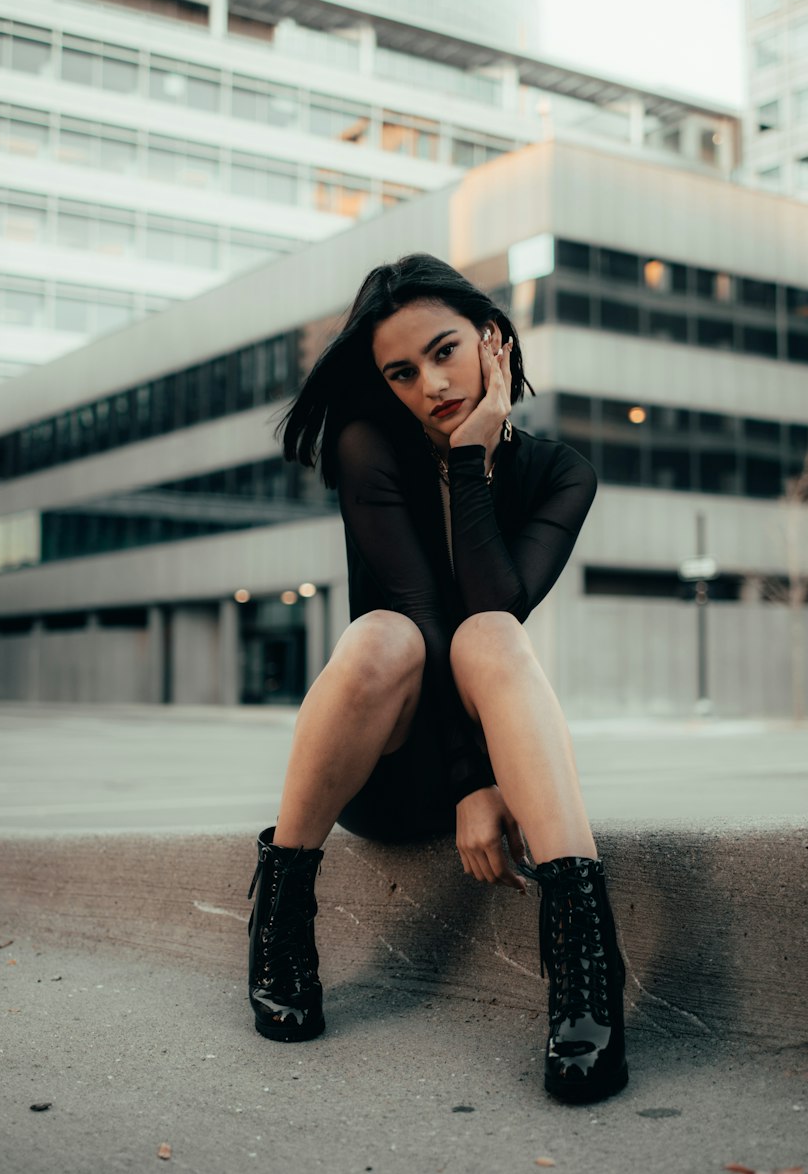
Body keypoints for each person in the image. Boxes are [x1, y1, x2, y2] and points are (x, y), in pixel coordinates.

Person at [246, 253, 628, 1103]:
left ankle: (586, 970)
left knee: (493, 633)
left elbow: (493, 610)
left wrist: (470, 463)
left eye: (447, 352)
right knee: (385, 635)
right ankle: (280, 918)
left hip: (497, 760)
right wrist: (471, 779)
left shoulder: (562, 474)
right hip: (384, 775)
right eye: (402, 372)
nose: (431, 383)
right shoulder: (366, 447)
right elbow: (425, 616)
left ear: (493, 342)